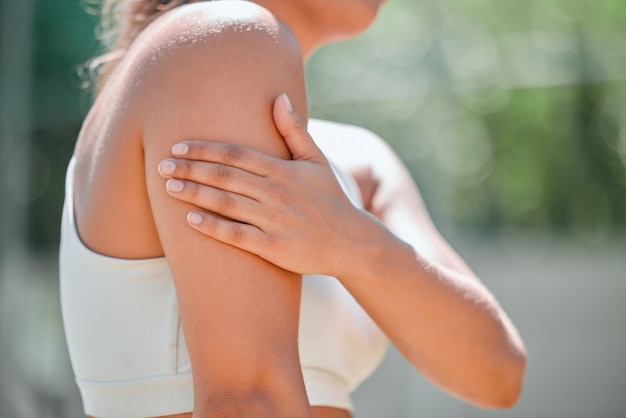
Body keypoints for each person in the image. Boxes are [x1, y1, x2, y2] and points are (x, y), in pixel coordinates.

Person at [59, 0, 526, 417]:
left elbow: (497, 375)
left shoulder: (359, 160)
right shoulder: (221, 41)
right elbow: (248, 403)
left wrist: (353, 244)